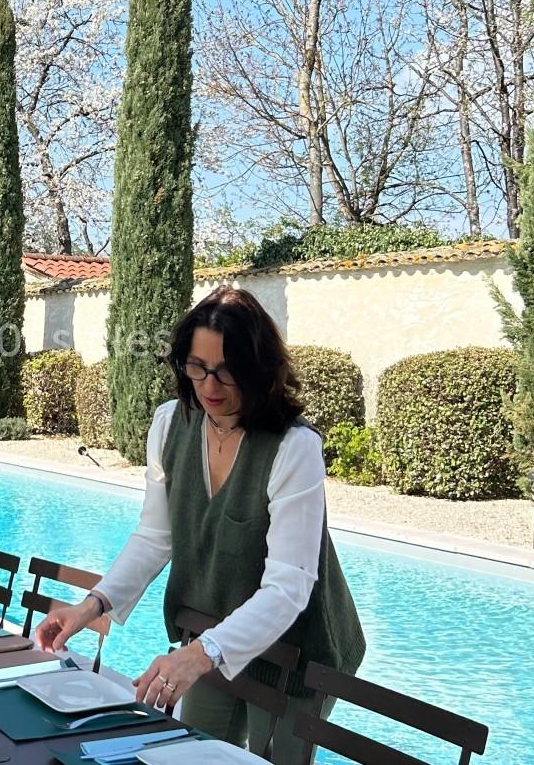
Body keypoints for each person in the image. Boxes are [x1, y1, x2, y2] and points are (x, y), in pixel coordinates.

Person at [34, 287, 366, 764]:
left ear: (258, 369)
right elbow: (155, 536)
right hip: (210, 633)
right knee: (196, 755)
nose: (210, 386)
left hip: (297, 652)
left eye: (227, 370)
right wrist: (92, 606)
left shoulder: (294, 448)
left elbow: (289, 585)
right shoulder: (170, 425)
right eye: (197, 367)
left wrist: (200, 655)